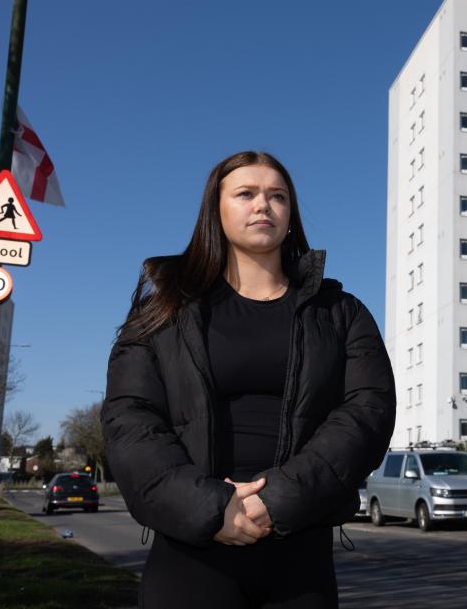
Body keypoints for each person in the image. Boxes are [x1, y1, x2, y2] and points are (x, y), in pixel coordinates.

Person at [101, 151, 396, 608]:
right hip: (192, 549)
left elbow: (367, 411)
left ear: (291, 216)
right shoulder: (164, 311)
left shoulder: (341, 313)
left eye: (277, 196)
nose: (264, 205)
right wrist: (211, 508)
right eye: (246, 194)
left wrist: (278, 500)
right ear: (215, 211)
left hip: (300, 547)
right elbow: (130, 419)